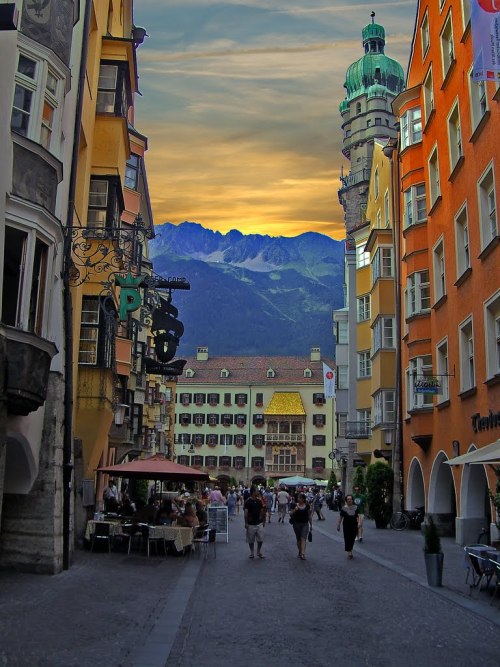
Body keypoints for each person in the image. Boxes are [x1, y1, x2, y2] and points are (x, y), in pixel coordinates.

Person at [244, 486, 266, 559]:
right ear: (253, 492)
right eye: (257, 491)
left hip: (259, 523)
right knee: (251, 540)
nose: (258, 492)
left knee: (261, 539)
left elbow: (262, 510)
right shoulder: (248, 501)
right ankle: (252, 552)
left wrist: (263, 520)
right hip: (251, 523)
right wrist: (246, 523)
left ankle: (258, 551)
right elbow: (246, 512)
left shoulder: (259, 501)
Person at [289, 492, 312, 560]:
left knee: (303, 538)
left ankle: (303, 553)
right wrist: (295, 510)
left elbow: (309, 516)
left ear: (303, 499)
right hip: (296, 524)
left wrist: (311, 524)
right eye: (298, 498)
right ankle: (300, 551)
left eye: (300, 498)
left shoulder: (307, 506)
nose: (298, 499)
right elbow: (290, 514)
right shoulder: (294, 505)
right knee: (298, 539)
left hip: (305, 524)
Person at [337, 494, 360, 559]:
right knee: (347, 538)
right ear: (346, 500)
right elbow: (340, 517)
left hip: (354, 525)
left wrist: (359, 523)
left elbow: (359, 516)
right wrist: (338, 525)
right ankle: (349, 552)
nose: (349, 500)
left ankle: (350, 549)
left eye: (350, 499)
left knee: (352, 538)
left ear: (352, 500)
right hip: (346, 525)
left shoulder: (356, 507)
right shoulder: (343, 508)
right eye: (348, 499)